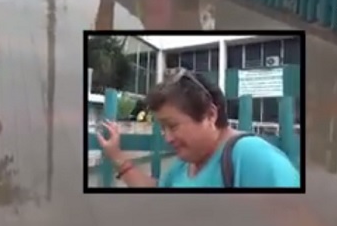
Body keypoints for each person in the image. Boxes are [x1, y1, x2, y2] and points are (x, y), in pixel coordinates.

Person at [97, 68, 300, 188]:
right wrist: (116, 155)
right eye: (162, 127)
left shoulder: (252, 158)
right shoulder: (182, 165)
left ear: (210, 115)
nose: (167, 138)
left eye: (173, 125)